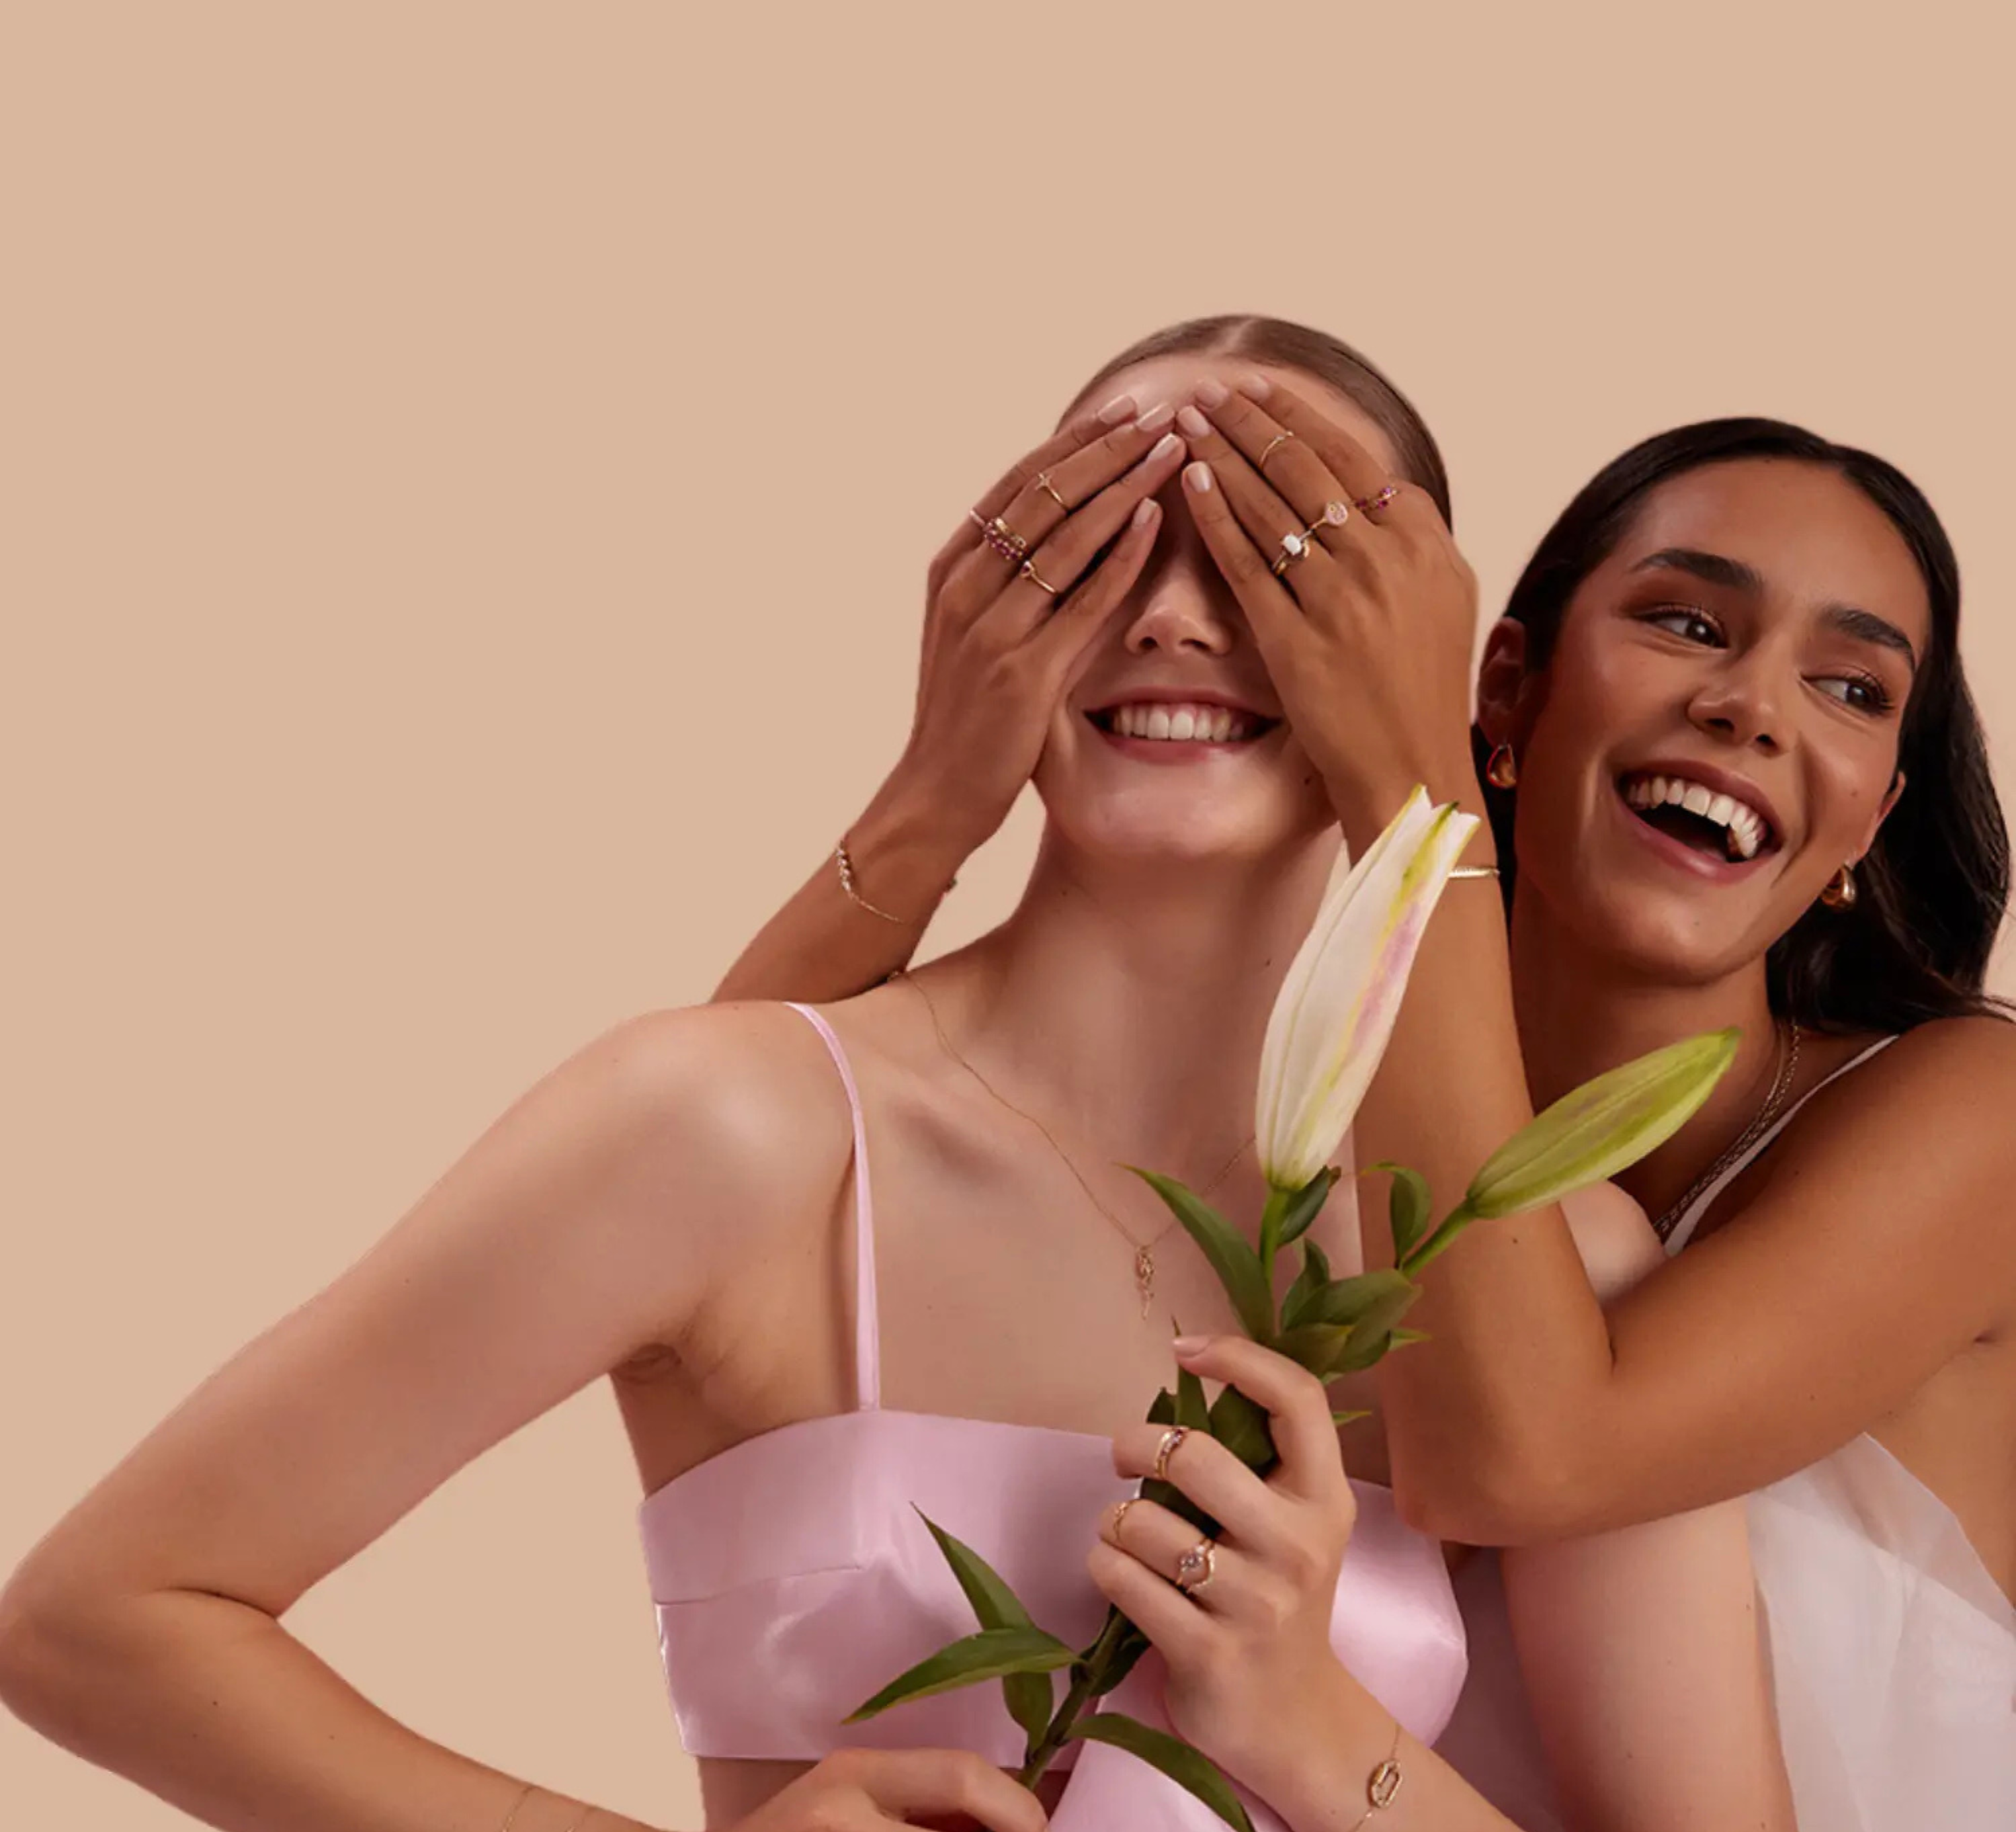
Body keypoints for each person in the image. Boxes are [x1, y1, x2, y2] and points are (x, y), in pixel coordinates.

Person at [0, 319, 1791, 1832]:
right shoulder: (727, 1128)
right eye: (1101, 539)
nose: (1177, 615)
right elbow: (98, 1620)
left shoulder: (1541, 1280)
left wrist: (1327, 1735)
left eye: (1279, 555)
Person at [721, 315, 2016, 1825]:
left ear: (1873, 820)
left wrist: (1410, 780)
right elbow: (752, 1177)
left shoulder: (1970, 1114)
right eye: (1686, 623)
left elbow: (1521, 1459)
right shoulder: (1324, 1076)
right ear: (1510, 688)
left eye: (1854, 689)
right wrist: (943, 789)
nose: (1753, 708)